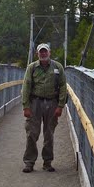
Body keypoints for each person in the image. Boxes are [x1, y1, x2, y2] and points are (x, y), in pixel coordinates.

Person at [21, 43, 67, 173]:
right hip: (35, 102)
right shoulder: (32, 68)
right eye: (41, 52)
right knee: (31, 133)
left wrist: (60, 106)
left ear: (49, 52)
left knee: (49, 134)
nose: (43, 54)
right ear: (37, 54)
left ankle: (47, 162)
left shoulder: (58, 67)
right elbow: (26, 87)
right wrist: (26, 106)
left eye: (45, 51)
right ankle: (29, 162)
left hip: (52, 103)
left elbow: (63, 86)